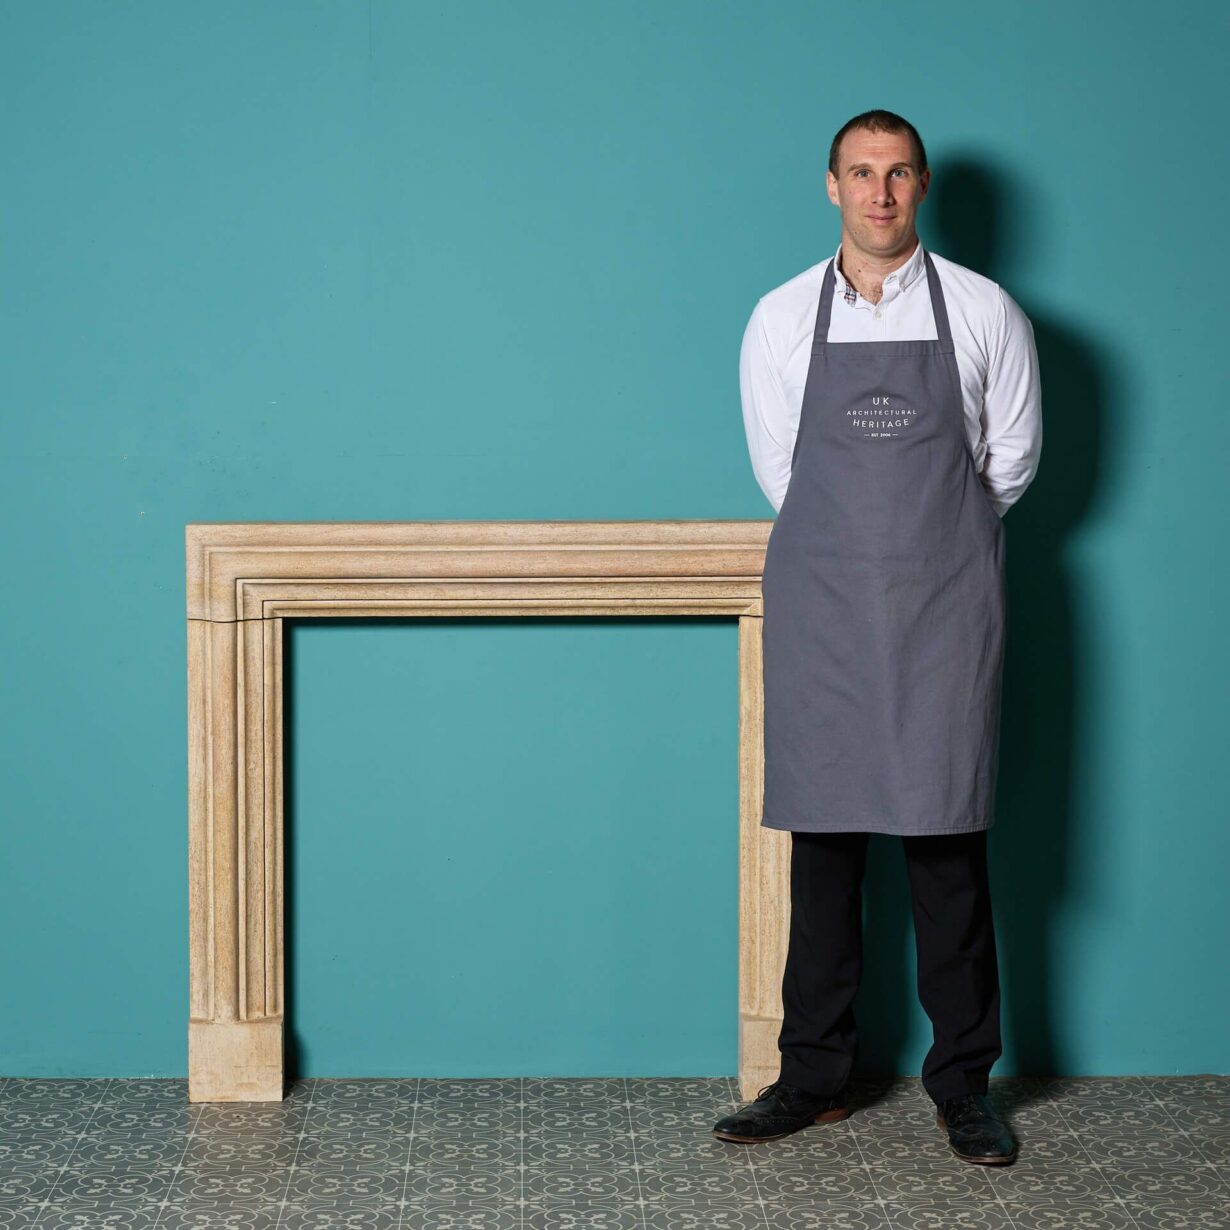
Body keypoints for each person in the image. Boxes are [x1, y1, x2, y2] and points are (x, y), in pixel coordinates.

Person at [715, 110, 1042, 1165]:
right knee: (824, 852)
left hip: (945, 606)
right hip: (824, 608)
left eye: (898, 173)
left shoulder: (985, 311)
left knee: (947, 849)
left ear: (923, 184)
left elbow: (1010, 463)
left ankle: (964, 1086)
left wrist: (929, 545)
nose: (880, 193)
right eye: (862, 173)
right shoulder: (779, 316)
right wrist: (858, 546)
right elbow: (781, 470)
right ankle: (811, 1077)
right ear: (833, 186)